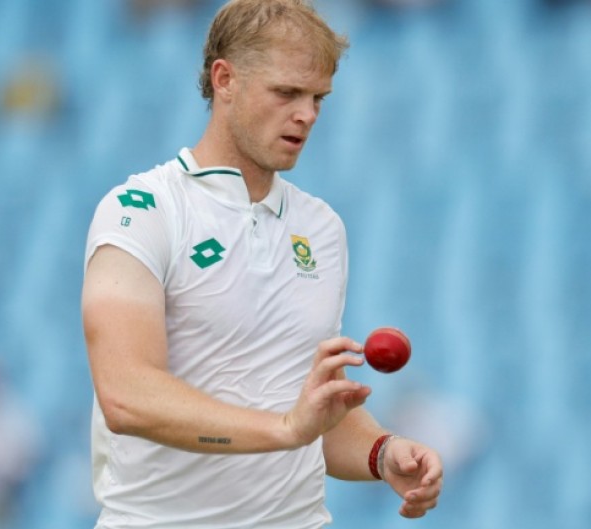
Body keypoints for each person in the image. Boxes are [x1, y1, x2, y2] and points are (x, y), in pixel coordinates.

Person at [80, 1, 444, 527]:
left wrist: (382, 453)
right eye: (286, 92)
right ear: (224, 79)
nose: (307, 114)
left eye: (318, 97)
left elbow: (309, 417)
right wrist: (286, 428)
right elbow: (127, 396)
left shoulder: (322, 229)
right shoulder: (140, 211)